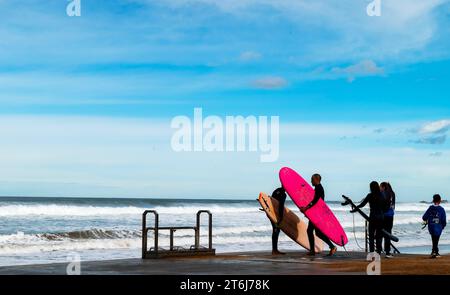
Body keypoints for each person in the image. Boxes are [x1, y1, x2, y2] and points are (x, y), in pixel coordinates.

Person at [301, 174, 337, 256]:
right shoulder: (318, 188)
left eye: (312, 179)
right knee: (316, 232)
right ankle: (330, 247)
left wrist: (306, 208)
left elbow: (315, 201)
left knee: (311, 231)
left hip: (317, 214)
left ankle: (316, 250)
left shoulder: (319, 188)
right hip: (316, 213)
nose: (311, 181)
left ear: (317, 180)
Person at [351, 181, 385, 254]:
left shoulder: (370, 195)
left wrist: (355, 209)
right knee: (379, 236)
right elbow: (385, 206)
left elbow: (362, 204)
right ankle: (378, 253)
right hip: (381, 217)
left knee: (371, 236)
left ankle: (372, 253)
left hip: (373, 217)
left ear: (371, 187)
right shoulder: (382, 195)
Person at [422, 194, 446, 258]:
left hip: (431, 226)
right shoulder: (441, 209)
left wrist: (427, 220)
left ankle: (434, 251)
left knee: (434, 239)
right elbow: (443, 219)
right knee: (436, 239)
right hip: (438, 227)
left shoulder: (430, 208)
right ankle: (435, 252)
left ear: (433, 200)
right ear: (440, 200)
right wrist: (443, 226)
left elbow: (424, 217)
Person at [380, 182, 395, 258]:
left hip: (383, 216)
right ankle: (387, 252)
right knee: (388, 234)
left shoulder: (382, 193)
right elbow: (393, 206)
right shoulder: (392, 193)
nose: (380, 188)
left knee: (380, 233)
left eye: (380, 187)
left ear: (383, 187)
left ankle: (378, 251)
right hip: (390, 215)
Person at [270, 187, 287, 255]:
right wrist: (280, 216)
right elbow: (281, 205)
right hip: (276, 215)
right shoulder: (283, 194)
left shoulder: (276, 190)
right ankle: (274, 250)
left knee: (276, 229)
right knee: (276, 230)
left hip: (271, 212)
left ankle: (274, 249)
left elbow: (271, 201)